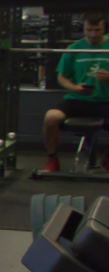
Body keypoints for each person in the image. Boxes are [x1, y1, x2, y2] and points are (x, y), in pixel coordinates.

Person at [41, 12, 109, 173]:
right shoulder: (74, 48)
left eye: (97, 30)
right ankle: (52, 160)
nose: (93, 34)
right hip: (78, 99)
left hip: (106, 100)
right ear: (84, 28)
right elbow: (62, 77)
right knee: (51, 118)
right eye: (89, 30)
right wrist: (75, 88)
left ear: (104, 28)